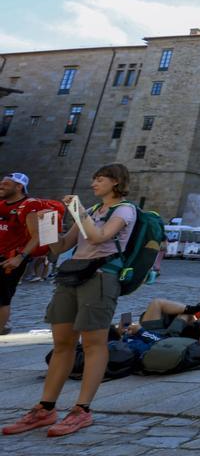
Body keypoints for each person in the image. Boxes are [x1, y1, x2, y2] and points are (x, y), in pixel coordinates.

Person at [2, 164, 136, 438]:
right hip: (72, 274)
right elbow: (60, 246)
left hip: (100, 276)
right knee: (62, 342)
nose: (94, 183)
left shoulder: (124, 210)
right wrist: (44, 225)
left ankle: (82, 410)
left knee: (93, 344)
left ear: (116, 182)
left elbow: (100, 237)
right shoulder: (93, 210)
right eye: (93, 179)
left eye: (100, 179)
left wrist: (78, 210)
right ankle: (45, 407)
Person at [1, 172, 44, 336]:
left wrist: (20, 257)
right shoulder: (1, 203)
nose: (1, 185)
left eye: (6, 184)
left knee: (2, 299)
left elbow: (36, 236)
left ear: (19, 187)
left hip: (10, 259)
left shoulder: (28, 206)